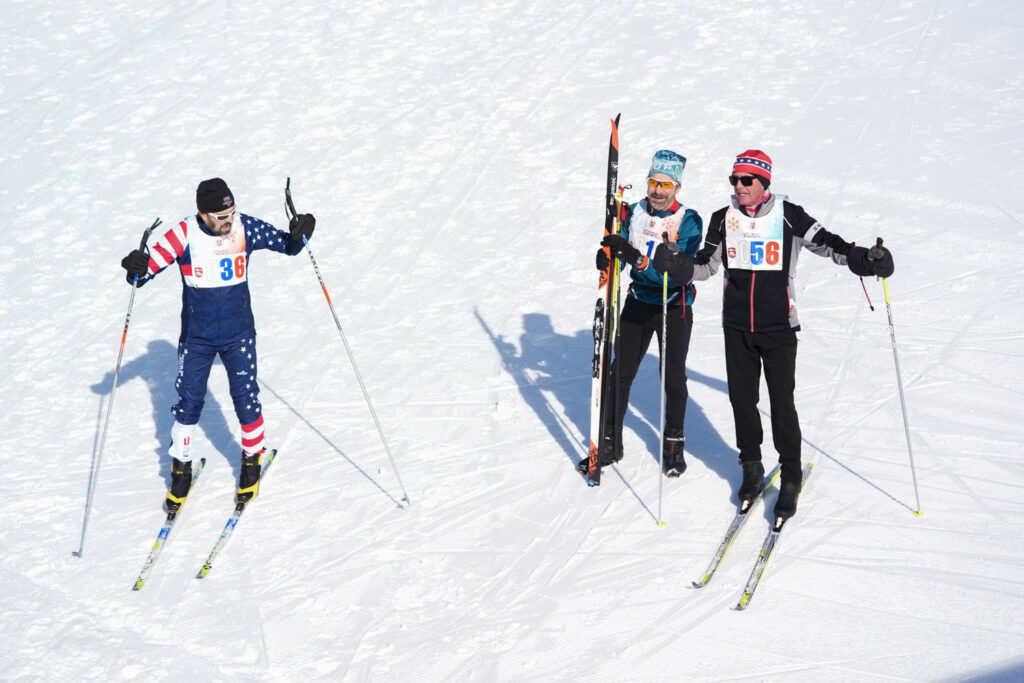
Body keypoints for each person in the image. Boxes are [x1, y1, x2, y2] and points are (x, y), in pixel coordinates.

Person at [652, 149, 893, 519]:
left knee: (782, 405)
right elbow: (705, 266)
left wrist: (866, 260)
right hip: (736, 327)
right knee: (742, 401)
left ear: (764, 182)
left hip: (779, 326)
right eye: (734, 179)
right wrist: (678, 265)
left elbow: (830, 244)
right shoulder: (723, 218)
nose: (739, 186)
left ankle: (791, 476)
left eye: (746, 179)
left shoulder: (789, 215)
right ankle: (751, 467)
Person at [120, 178, 316, 512]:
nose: (228, 220)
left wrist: (303, 230)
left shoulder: (244, 228)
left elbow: (290, 245)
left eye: (231, 211)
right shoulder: (182, 234)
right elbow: (142, 275)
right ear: (203, 213)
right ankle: (181, 468)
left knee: (245, 397)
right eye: (221, 215)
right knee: (188, 403)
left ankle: (252, 458)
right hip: (197, 338)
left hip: (239, 334)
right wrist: (134, 266)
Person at [577, 150, 703, 478]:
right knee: (620, 373)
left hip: (673, 304)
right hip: (639, 301)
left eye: (666, 184)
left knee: (672, 377)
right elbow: (615, 244)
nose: (658, 191)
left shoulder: (688, 220)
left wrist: (634, 256)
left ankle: (673, 445)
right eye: (652, 183)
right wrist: (608, 257)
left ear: (677, 187)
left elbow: (676, 270)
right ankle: (609, 442)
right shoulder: (633, 212)